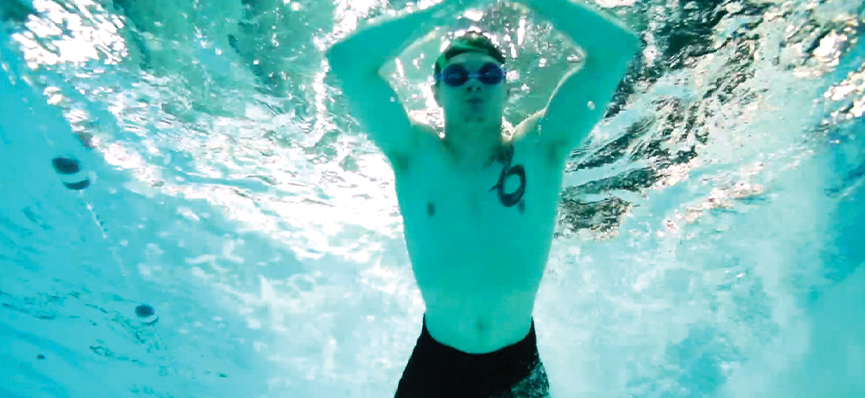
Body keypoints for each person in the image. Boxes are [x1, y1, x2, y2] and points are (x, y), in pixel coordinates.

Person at [326, 0, 639, 396]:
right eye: (457, 76)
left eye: (489, 73)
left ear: (506, 88)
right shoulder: (415, 153)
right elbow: (347, 60)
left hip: (516, 366)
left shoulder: (539, 148)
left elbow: (616, 48)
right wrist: (446, 9)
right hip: (436, 364)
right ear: (437, 91)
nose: (474, 82)